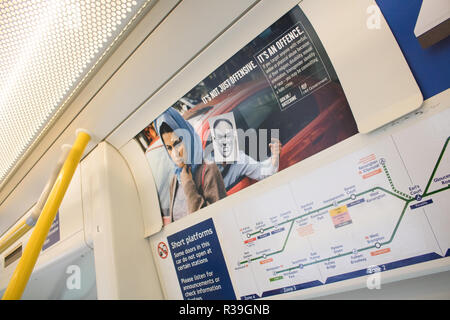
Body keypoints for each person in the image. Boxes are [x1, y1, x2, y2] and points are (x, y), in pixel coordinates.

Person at [156, 107, 227, 225]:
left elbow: (215, 220)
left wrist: (189, 186)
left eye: (177, 143)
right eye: (169, 148)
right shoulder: (176, 178)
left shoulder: (209, 170)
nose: (175, 153)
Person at [210, 116, 282, 191]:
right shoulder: (206, 162)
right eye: (220, 137)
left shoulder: (240, 159)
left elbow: (265, 173)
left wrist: (275, 155)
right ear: (214, 140)